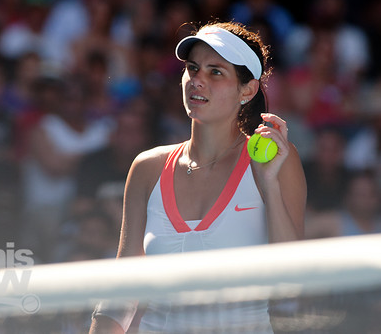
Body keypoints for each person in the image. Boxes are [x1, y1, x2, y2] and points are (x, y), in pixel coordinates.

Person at [89, 21, 306, 334]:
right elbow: (121, 293)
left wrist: (268, 185)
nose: (197, 81)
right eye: (192, 68)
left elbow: (292, 283)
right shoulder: (146, 167)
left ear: (248, 89)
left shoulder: (278, 162)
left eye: (215, 71)